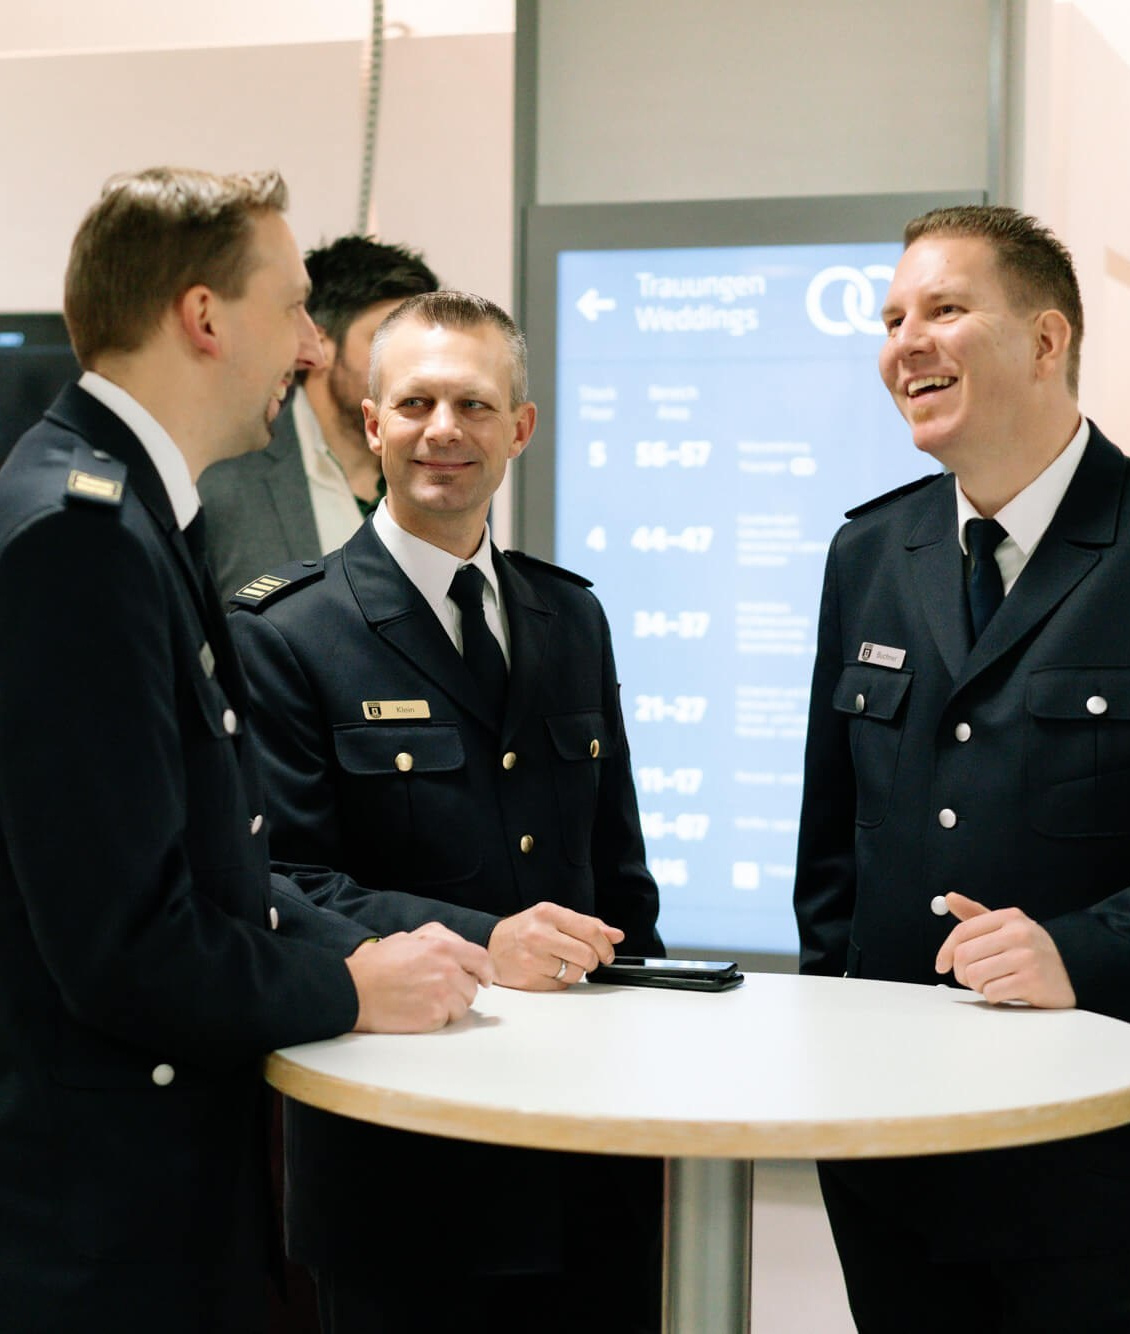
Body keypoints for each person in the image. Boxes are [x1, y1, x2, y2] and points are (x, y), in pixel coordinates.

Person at [793, 204, 1130, 1333]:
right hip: (895, 1148)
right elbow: (833, 846)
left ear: (1045, 342)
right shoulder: (868, 551)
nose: (905, 340)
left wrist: (1076, 950)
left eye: (944, 308)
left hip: (1103, 1157)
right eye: (891, 316)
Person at [0, 167, 494, 1334]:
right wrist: (348, 986)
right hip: (99, 1225)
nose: (315, 348)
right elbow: (124, 937)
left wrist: (385, 940)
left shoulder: (131, 514)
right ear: (204, 316)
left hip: (159, 1189)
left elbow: (211, 857)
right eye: (293, 307)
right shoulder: (77, 538)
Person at [228, 290, 665, 1333]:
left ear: (517, 427)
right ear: (371, 422)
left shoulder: (572, 615)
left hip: (584, 1154)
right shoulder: (289, 631)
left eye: (472, 405)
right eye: (414, 402)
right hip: (403, 1158)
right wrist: (487, 943)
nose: (442, 431)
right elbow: (282, 878)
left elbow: (621, 877)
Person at [198, 234, 438, 597]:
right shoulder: (226, 478)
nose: (415, 366)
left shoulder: (447, 469)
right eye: (386, 340)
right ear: (321, 342)